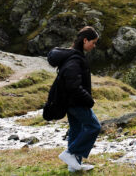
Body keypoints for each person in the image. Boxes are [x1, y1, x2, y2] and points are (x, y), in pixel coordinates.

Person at [47, 26, 101, 172]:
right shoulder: (75, 60)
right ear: (85, 40)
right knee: (94, 127)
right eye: (93, 42)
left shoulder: (73, 56)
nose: (94, 46)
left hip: (70, 102)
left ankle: (73, 166)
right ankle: (69, 154)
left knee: (76, 130)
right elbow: (73, 85)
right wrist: (89, 100)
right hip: (76, 102)